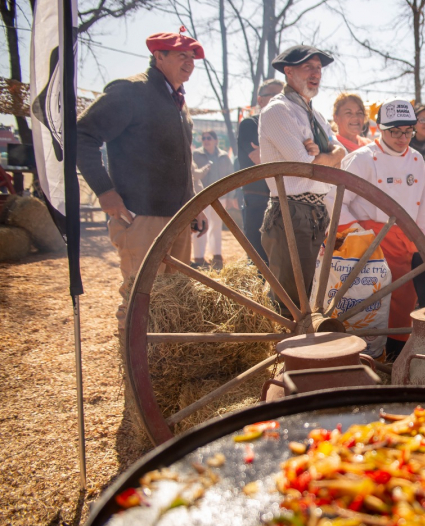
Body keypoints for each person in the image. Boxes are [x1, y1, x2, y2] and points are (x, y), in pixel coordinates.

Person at [76, 31, 209, 336]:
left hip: (176, 217)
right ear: (158, 56)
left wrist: (193, 203)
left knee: (173, 298)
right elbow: (82, 136)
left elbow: (180, 162)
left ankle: (160, 372)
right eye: (180, 55)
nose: (189, 63)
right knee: (140, 298)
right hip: (141, 215)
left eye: (192, 58)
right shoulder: (131, 92)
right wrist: (105, 190)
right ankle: (133, 377)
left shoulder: (177, 101)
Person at [339, 99, 425, 360]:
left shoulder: (417, 159)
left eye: (408, 131)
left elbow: (422, 204)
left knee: (403, 302)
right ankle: (361, 355)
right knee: (370, 303)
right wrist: (359, 234)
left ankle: (396, 358)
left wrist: (422, 243)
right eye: (395, 131)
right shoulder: (361, 158)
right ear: (379, 128)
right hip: (371, 244)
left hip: (407, 242)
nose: (403, 138)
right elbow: (335, 201)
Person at [258, 45, 346, 306]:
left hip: (318, 212)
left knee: (308, 294)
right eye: (308, 67)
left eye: (318, 68)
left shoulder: (315, 115)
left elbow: (337, 154)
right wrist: (325, 157)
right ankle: (284, 345)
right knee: (289, 301)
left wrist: (327, 155)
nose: (315, 73)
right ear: (288, 71)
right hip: (290, 211)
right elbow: (305, 165)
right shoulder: (277, 111)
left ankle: (302, 342)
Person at [235, 78, 284, 263]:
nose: (278, 100)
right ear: (260, 100)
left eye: (282, 96)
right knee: (258, 259)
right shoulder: (250, 125)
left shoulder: (288, 129)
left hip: (285, 200)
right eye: (273, 95)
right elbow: (259, 160)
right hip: (258, 199)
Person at [192, 131, 237, 270]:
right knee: (200, 226)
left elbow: (231, 176)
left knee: (216, 227)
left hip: (220, 197)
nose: (206, 140)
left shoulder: (224, 156)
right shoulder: (196, 155)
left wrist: (231, 196)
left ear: (216, 140)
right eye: (203, 138)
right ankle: (199, 257)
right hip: (202, 197)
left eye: (209, 138)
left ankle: (216, 254)